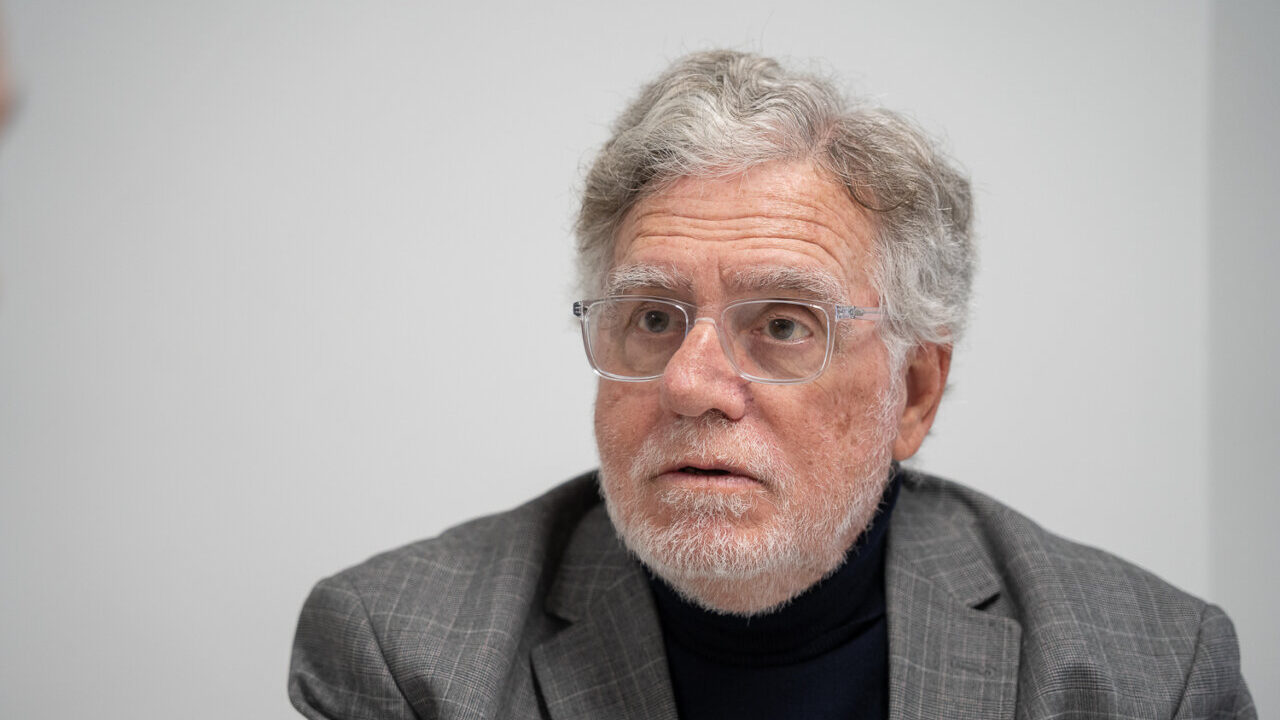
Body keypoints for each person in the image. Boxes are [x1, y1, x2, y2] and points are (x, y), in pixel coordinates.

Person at [288, 50, 1254, 719]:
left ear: (913, 393)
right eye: (654, 318)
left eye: (784, 325)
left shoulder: (1143, 673)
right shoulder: (403, 652)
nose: (691, 383)